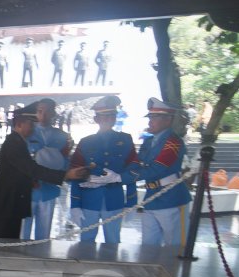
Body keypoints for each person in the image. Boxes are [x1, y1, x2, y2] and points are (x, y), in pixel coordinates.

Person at [0, 107, 88, 239]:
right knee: (2, 247)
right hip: (7, 207)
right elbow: (32, 169)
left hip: (11, 205)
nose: (33, 128)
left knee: (9, 246)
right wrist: (65, 175)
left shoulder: (18, 142)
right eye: (30, 124)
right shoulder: (13, 144)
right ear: (19, 124)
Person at [69, 95, 138, 243]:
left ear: (115, 117)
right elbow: (76, 173)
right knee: (86, 243)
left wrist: (132, 202)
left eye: (111, 116)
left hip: (114, 200)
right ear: (96, 119)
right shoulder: (85, 142)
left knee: (113, 242)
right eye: (103, 116)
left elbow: (133, 170)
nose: (108, 119)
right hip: (89, 200)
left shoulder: (125, 140)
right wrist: (75, 204)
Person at [130, 97, 190, 246]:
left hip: (171, 197)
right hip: (152, 196)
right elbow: (137, 162)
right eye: (150, 117)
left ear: (168, 120)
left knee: (176, 247)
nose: (150, 121)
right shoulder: (149, 141)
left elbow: (157, 169)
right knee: (148, 246)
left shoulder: (173, 142)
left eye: (155, 117)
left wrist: (120, 178)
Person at [22, 98, 72, 240]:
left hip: (49, 190)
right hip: (27, 190)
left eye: (47, 111)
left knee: (44, 234)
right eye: (40, 111)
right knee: (21, 233)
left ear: (53, 113)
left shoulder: (62, 137)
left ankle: (40, 259)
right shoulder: (27, 133)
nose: (43, 115)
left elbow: (65, 162)